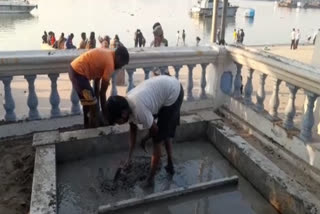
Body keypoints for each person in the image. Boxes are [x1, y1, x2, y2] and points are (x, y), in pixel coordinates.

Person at [104, 75, 184, 186]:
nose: (118, 124)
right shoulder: (126, 105)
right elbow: (133, 131)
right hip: (163, 91)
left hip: (173, 93)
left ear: (123, 114)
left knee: (160, 138)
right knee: (163, 131)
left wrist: (146, 138)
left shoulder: (138, 109)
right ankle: (170, 165)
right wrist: (129, 158)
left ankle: (150, 180)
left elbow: (156, 133)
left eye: (118, 121)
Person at [69, 47, 130, 128]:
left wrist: (96, 102)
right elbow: (103, 93)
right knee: (93, 106)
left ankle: (87, 126)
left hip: (74, 70)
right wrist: (105, 116)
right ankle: (94, 130)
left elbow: (97, 83)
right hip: (78, 73)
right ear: (118, 57)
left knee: (89, 102)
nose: (121, 67)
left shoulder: (107, 55)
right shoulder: (110, 64)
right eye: (122, 64)